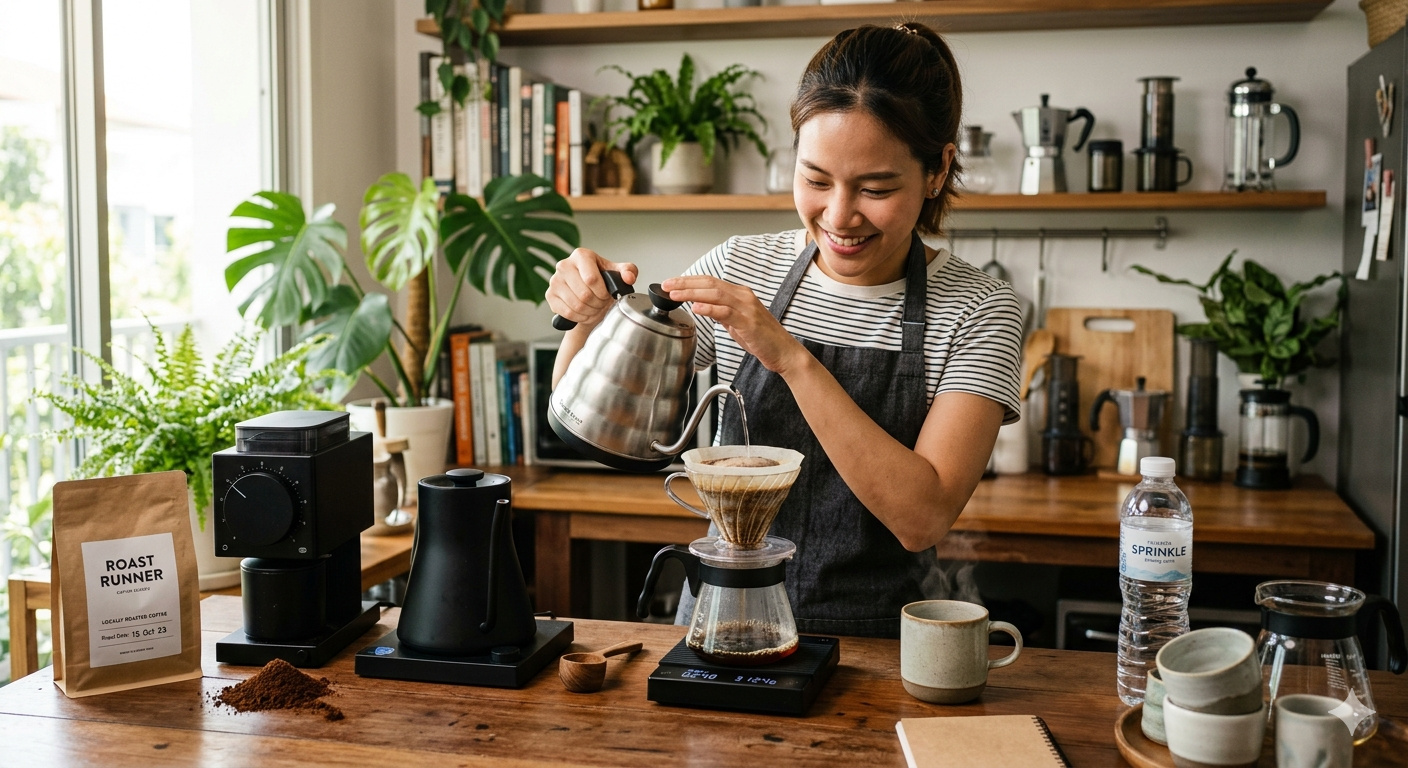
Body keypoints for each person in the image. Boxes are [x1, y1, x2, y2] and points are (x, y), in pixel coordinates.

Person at [546, 23, 1023, 638]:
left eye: (876, 188)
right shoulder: (740, 268)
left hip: (878, 647)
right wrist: (587, 320)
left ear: (938, 170)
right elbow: (592, 423)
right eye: (816, 180)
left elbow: (922, 516)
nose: (840, 215)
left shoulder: (979, 307)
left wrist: (790, 358)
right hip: (720, 623)